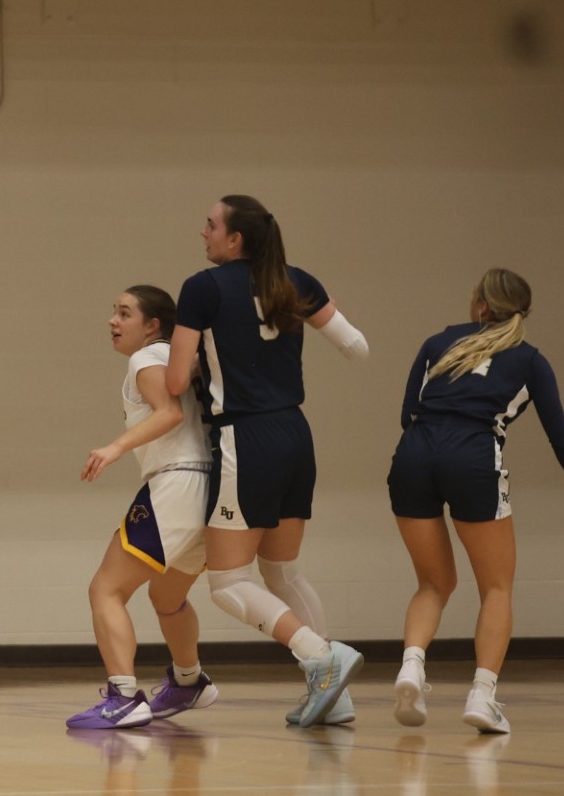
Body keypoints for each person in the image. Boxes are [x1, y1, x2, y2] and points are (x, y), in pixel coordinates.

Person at [163, 195, 370, 728]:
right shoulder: (295, 279)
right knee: (280, 570)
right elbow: (357, 346)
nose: (202, 232)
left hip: (244, 437)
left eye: (210, 225)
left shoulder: (201, 288)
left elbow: (173, 381)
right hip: (295, 433)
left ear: (235, 240)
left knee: (229, 583)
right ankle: (335, 698)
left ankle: (322, 656)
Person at [388, 268, 564, 734]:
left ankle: (411, 667)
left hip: (413, 455)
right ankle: (482, 695)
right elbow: (562, 437)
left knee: (433, 584)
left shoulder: (437, 342)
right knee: (496, 587)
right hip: (471, 456)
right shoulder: (530, 360)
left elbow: (406, 412)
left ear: (481, 306)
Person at [69, 286, 219, 729]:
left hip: (177, 482)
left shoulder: (148, 357)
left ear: (153, 325)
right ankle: (189, 680)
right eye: (113, 312)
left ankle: (122, 697)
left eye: (124, 313)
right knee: (167, 596)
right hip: (209, 487)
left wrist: (114, 447)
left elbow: (168, 413)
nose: (113, 321)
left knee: (105, 589)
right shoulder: (180, 358)